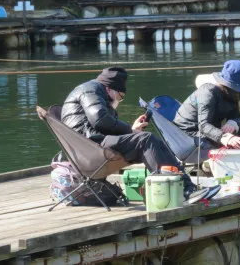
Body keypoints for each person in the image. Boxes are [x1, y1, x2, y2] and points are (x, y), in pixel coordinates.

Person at [61, 67, 200, 199]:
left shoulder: (97, 92)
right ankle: (172, 188)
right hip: (87, 146)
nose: (119, 101)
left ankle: (187, 186)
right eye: (120, 97)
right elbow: (100, 120)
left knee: (153, 141)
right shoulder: (90, 90)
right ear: (109, 88)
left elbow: (101, 126)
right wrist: (130, 131)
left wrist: (132, 130)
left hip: (90, 142)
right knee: (146, 140)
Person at [173, 60, 240, 188]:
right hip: (188, 135)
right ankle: (235, 176)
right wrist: (225, 137)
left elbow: (237, 117)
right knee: (235, 141)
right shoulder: (208, 92)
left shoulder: (232, 94)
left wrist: (233, 123)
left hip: (209, 131)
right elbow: (203, 126)